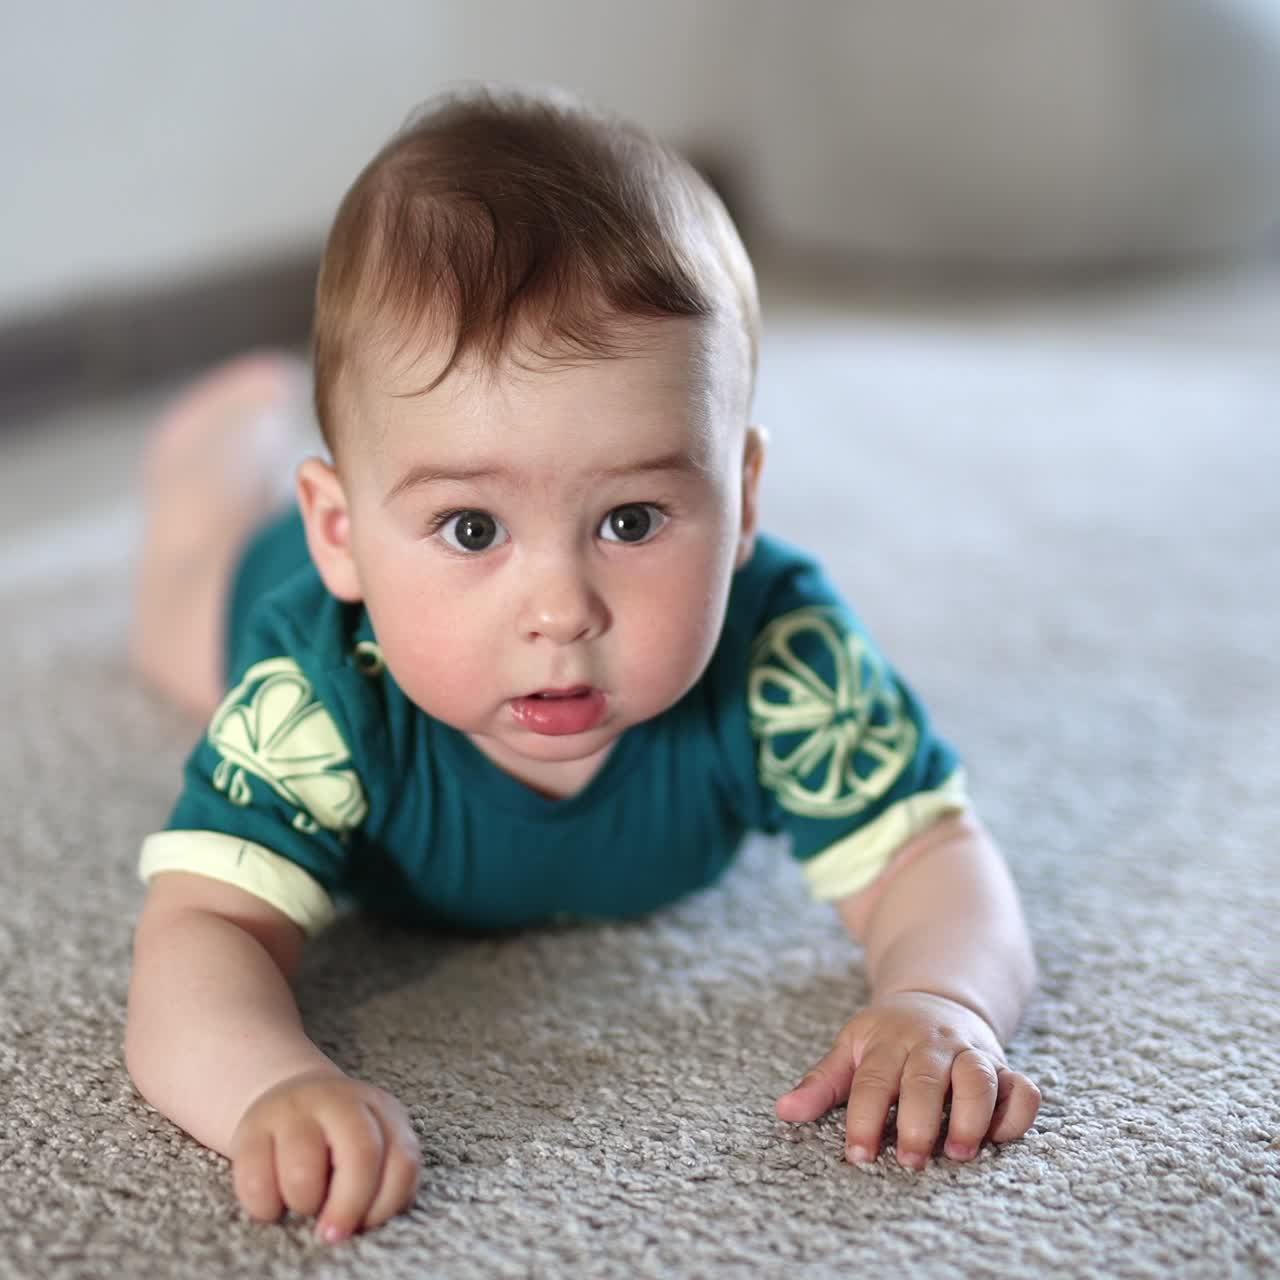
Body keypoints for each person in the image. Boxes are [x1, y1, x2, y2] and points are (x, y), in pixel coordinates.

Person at [124, 84, 1040, 1245]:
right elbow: (199, 931)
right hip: (289, 598)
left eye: (631, 519)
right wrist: (265, 1082)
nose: (560, 610)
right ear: (345, 528)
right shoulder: (313, 696)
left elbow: (930, 851)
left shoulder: (778, 658)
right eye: (470, 527)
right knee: (179, 626)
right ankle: (210, 477)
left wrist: (939, 996)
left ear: (741, 494)